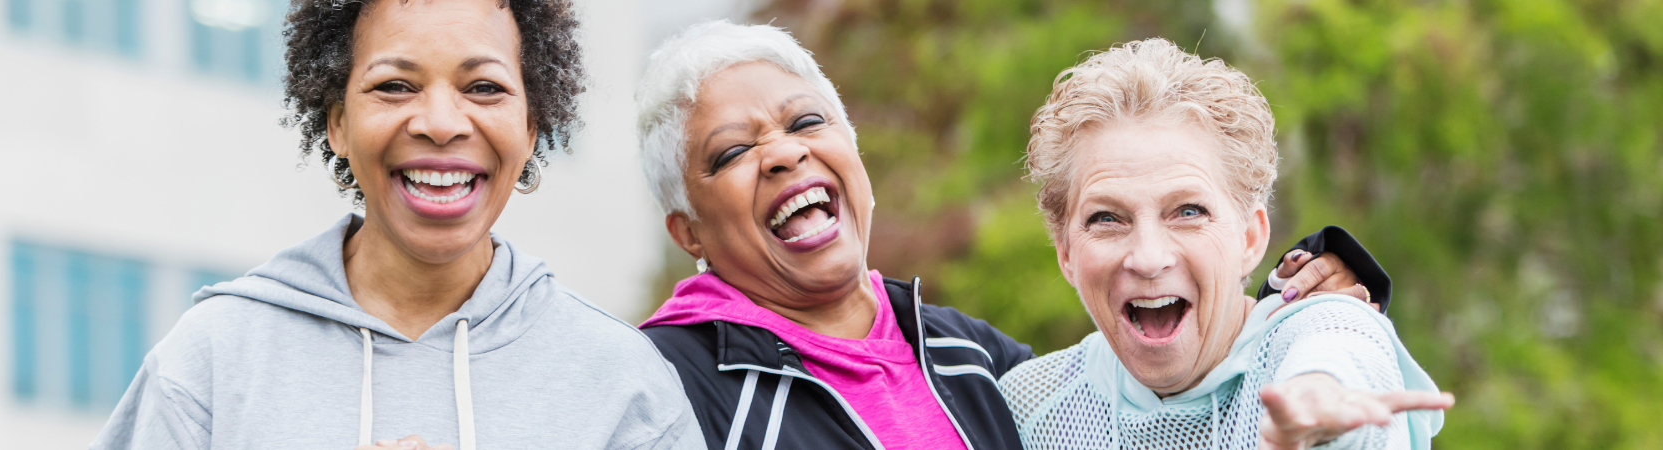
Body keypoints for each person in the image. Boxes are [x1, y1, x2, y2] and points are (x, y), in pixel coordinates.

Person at [632, 21, 1377, 450]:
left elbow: (1280, 359)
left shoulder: (974, 362)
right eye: (732, 153)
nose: (784, 152)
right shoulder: (654, 382)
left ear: (852, 155)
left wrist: (1317, 291)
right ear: (687, 229)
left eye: (806, 122)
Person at [90, 1, 703, 449]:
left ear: (530, 128)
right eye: (394, 86)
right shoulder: (213, 360)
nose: (440, 122)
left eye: (484, 87)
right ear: (338, 125)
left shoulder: (624, 381)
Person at [995, 38, 1453, 449]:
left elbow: (1343, 353)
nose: (1150, 259)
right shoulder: (1025, 407)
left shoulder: (1318, 331)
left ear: (1250, 238)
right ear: (1067, 253)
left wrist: (1319, 397)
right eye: (1107, 218)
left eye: (1189, 212)